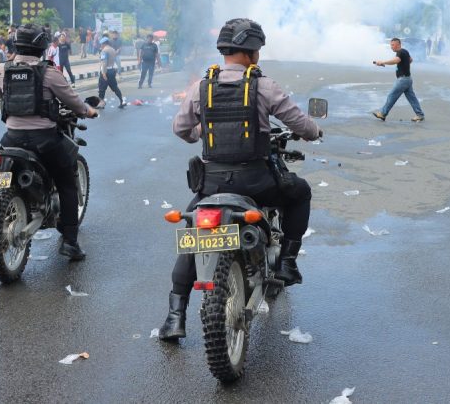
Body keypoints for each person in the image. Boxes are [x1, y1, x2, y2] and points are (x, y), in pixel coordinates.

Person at [158, 18, 320, 342]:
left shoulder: (202, 86)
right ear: (252, 52)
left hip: (212, 185)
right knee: (300, 192)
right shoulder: (264, 86)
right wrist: (314, 131)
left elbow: (180, 129)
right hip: (256, 183)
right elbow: (300, 123)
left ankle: (175, 317)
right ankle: (287, 263)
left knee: (194, 234)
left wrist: (201, 131)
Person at [0, 24, 98, 259]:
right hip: (44, 141)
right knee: (67, 183)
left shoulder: (1, 69)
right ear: (42, 47)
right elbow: (73, 102)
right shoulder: (50, 73)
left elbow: (0, 95)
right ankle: (70, 242)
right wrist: (88, 111)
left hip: (11, 138)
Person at [371, 37, 425, 122]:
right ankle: (420, 115)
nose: (391, 47)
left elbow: (396, 60)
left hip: (403, 80)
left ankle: (383, 114)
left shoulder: (400, 52)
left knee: (392, 96)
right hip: (408, 79)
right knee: (412, 98)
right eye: (391, 45)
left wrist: (382, 62)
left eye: (393, 45)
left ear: (398, 44)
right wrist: (404, 64)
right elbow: (410, 60)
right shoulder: (405, 51)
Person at [97, 35, 125, 107]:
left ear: (104, 43)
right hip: (112, 71)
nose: (101, 45)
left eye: (101, 44)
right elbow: (115, 60)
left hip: (106, 71)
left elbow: (104, 63)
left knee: (101, 89)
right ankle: (122, 101)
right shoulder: (112, 50)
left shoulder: (104, 51)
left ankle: (101, 104)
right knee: (115, 87)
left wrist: (103, 73)